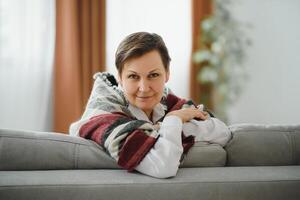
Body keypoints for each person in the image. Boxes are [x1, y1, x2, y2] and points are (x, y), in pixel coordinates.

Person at [69, 32, 231, 178]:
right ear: (119, 77)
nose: (144, 88)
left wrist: (161, 130)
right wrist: (173, 121)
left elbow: (223, 133)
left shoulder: (168, 101)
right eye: (133, 76)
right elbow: (163, 167)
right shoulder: (103, 118)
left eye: (153, 75)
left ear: (167, 74)